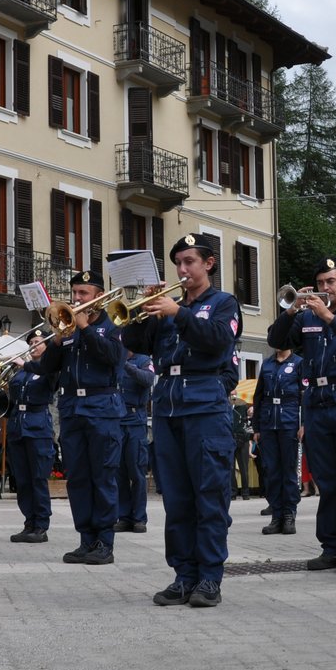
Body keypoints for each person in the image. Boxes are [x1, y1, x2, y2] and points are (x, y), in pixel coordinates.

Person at [122, 234, 240, 608]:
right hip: (169, 407)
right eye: (178, 262)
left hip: (205, 406)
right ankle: (183, 575)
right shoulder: (168, 307)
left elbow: (219, 341)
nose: (182, 269)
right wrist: (141, 310)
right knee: (176, 499)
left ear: (209, 264)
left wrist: (180, 314)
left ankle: (209, 578)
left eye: (190, 261)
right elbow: (134, 341)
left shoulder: (223, 303)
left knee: (209, 496)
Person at [268, 258, 336, 576]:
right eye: (320, 282)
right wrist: (292, 311)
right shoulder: (306, 317)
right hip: (316, 402)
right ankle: (331, 548)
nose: (325, 288)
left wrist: (328, 316)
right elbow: (276, 340)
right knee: (327, 481)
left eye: (331, 281)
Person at [43, 268, 125, 565]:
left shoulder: (113, 323)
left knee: (103, 475)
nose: (77, 298)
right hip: (71, 409)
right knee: (77, 477)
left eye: (83, 294)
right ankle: (86, 539)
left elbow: (113, 359)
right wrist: (55, 339)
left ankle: (105, 540)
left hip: (102, 406)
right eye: (75, 293)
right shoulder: (67, 329)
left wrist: (85, 328)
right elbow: (46, 369)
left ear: (99, 297)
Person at [7, 329, 61, 544]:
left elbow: (50, 373)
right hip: (17, 425)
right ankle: (29, 521)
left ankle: (41, 524)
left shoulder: (49, 367)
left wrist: (24, 364)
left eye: (39, 342)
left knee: (38, 478)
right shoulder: (20, 371)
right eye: (31, 341)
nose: (34, 345)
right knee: (22, 479)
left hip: (38, 425)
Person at [253, 345, 303, 534]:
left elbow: (304, 396)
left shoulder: (299, 363)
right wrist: (256, 427)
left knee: (288, 470)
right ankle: (276, 515)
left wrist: (303, 423)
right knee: (271, 470)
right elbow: (258, 397)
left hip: (289, 421)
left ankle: (289, 514)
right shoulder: (267, 364)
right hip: (268, 422)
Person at [116, 350, 154, 534]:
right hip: (116, 420)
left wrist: (125, 364)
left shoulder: (144, 359)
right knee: (119, 473)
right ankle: (123, 517)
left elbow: (148, 379)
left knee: (137, 472)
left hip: (135, 420)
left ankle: (139, 518)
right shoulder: (113, 359)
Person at [230, 395, 255, 500]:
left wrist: (251, 410)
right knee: (230, 468)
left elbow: (249, 418)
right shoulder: (224, 406)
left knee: (243, 467)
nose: (232, 397)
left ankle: (245, 492)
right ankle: (233, 492)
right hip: (230, 439)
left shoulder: (243, 405)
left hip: (242, 439)